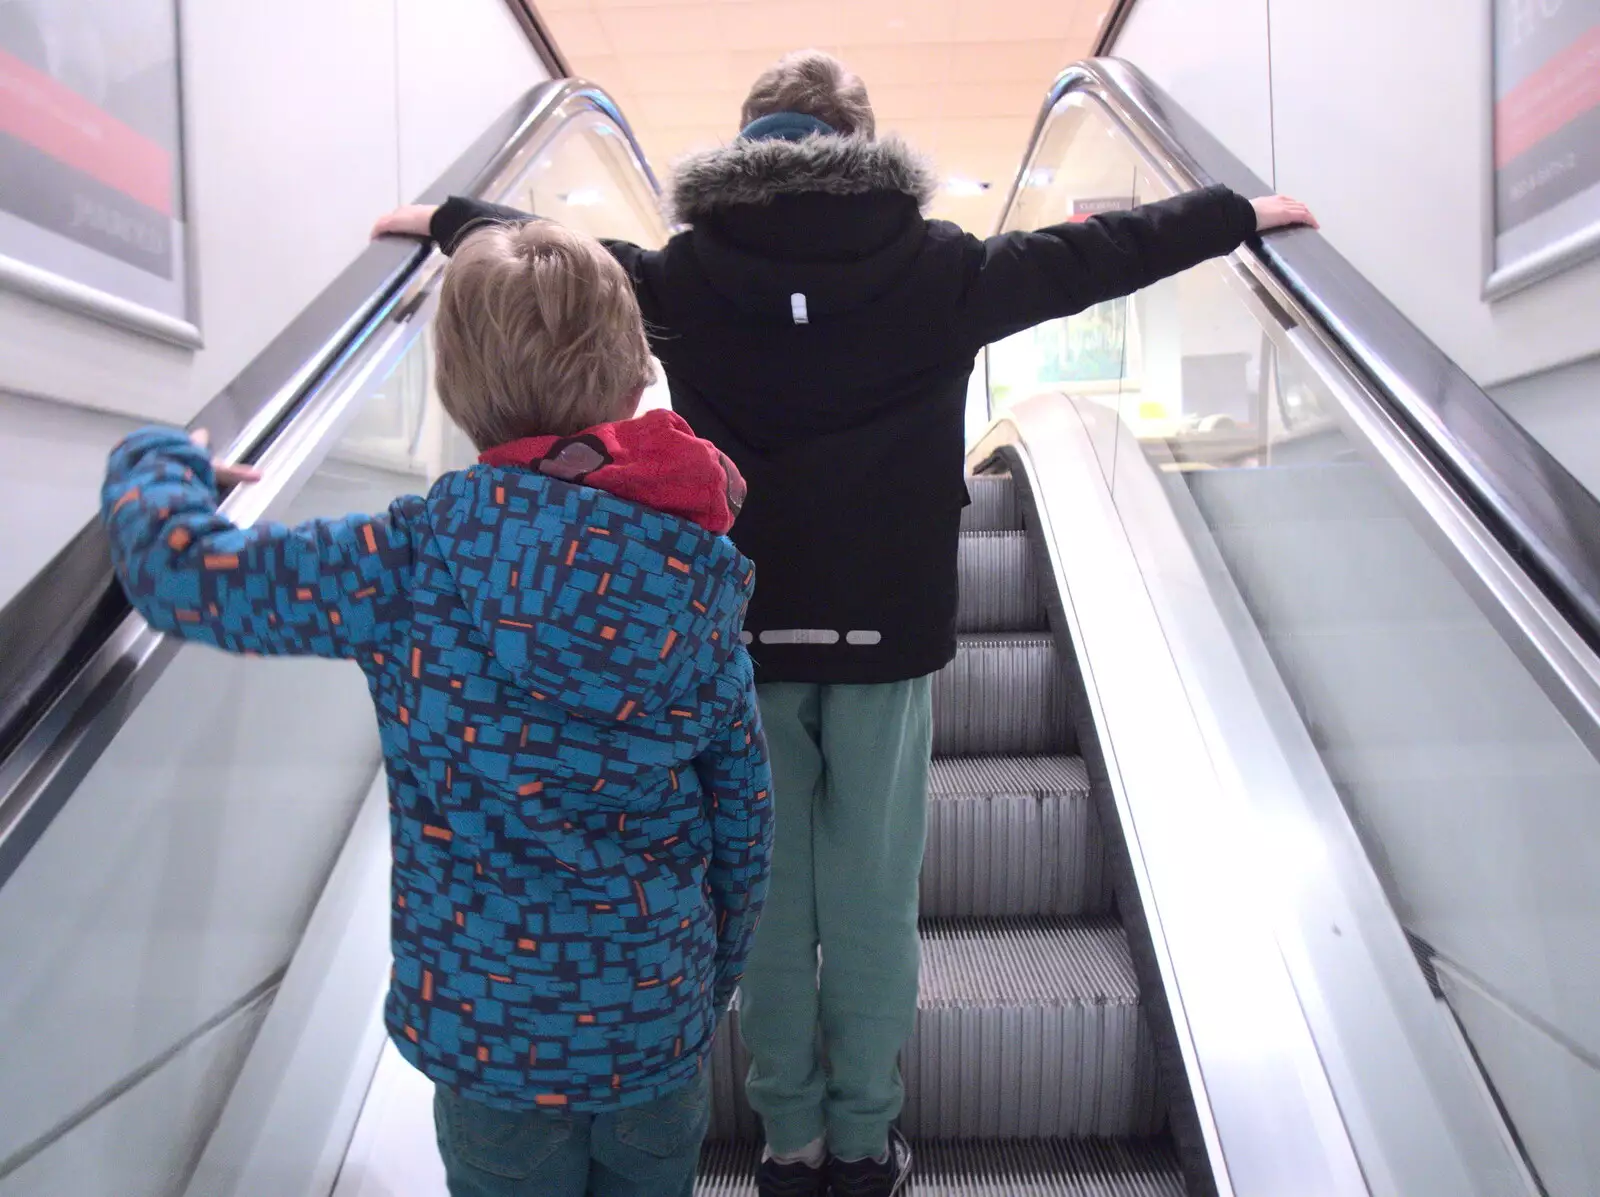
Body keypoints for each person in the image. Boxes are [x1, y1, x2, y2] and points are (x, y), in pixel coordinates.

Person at [374, 48, 1318, 1197]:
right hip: (891, 632)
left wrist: (452, 220)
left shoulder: (683, 276)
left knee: (764, 894)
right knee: (873, 896)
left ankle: (787, 1144)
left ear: (743, 145)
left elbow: (553, 264)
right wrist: (1230, 214)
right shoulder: (939, 270)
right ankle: (865, 1147)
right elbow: (1093, 258)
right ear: (860, 143)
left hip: (737, 633)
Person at [100, 220, 773, 1197]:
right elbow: (743, 820)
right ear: (634, 382)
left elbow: (183, 580)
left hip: (489, 1037)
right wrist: (697, 987)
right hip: (650, 1022)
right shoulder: (693, 579)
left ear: (459, 392)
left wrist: (158, 461)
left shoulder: (407, 560)